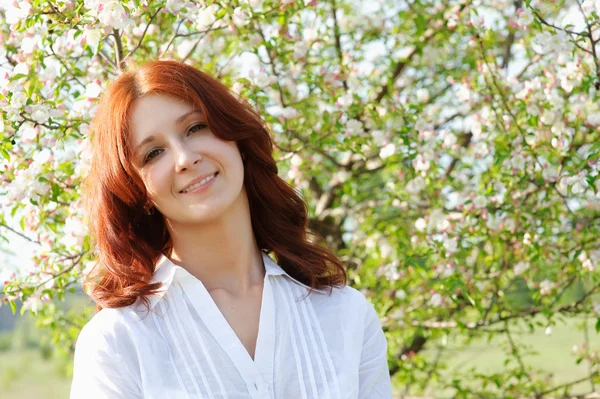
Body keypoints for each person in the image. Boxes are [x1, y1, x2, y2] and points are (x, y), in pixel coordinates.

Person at [70, 60, 393, 399]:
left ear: (236, 138)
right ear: (138, 192)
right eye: (153, 153)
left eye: (196, 128)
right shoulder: (118, 342)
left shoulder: (345, 314)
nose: (184, 158)